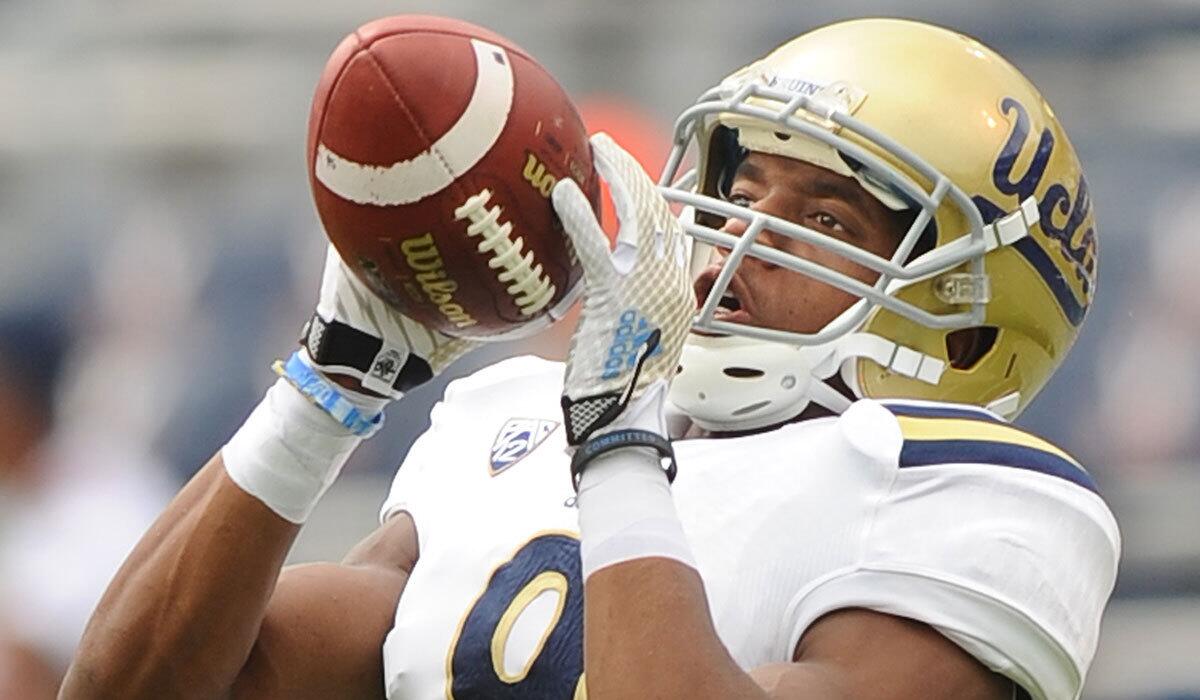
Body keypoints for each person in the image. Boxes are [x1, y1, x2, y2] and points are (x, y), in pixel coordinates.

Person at [61, 17, 1118, 700]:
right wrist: (326, 383)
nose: (739, 236)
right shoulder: (508, 419)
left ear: (966, 322)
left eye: (824, 216)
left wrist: (617, 445)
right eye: (742, 196)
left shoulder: (970, 491)